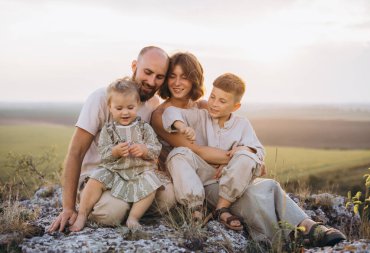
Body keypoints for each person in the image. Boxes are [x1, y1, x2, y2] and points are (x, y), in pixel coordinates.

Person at [151, 54, 346, 247]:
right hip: (200, 179)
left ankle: (309, 225)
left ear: (195, 80)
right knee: (251, 195)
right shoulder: (170, 114)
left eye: (184, 76)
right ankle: (284, 239)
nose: (177, 82)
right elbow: (196, 149)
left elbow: (256, 156)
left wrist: (248, 157)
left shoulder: (206, 108)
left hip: (229, 177)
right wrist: (235, 157)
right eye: (172, 76)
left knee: (268, 185)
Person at [49, 46, 175, 233]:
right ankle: (101, 206)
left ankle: (130, 211)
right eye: (147, 72)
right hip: (99, 177)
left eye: (159, 77)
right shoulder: (102, 98)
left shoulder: (152, 104)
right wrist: (68, 208)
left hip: (132, 174)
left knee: (169, 198)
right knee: (111, 213)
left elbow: (154, 145)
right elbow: (76, 152)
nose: (151, 81)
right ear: (134, 66)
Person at [161, 73, 265, 231]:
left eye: (222, 101)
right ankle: (196, 208)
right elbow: (169, 112)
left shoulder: (242, 124)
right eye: (212, 97)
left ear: (236, 107)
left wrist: (242, 151)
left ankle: (221, 209)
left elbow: (258, 153)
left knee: (246, 156)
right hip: (203, 173)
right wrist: (182, 126)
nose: (214, 104)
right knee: (178, 153)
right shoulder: (200, 116)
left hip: (229, 178)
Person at [70, 78, 163, 231]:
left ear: (138, 105)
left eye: (130, 107)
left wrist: (144, 150)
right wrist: (115, 151)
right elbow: (104, 152)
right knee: (96, 178)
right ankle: (82, 214)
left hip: (138, 172)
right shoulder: (109, 130)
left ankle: (133, 217)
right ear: (110, 107)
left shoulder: (144, 128)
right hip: (114, 171)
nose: (125, 112)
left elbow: (155, 147)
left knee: (151, 184)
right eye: (119, 108)